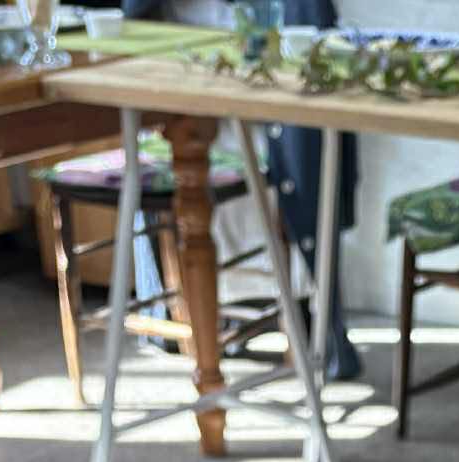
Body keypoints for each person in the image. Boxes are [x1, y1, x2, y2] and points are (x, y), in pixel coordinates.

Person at [119, 0, 360, 375]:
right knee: (182, 158)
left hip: (262, 105)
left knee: (284, 157)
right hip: (184, 94)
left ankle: (301, 316)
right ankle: (204, 324)